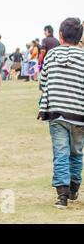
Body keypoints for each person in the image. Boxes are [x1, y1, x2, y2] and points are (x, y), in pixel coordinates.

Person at [38, 17, 84, 208]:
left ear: (61, 35)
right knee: (76, 152)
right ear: (79, 37)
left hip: (56, 113)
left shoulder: (50, 55)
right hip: (79, 115)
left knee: (61, 153)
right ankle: (74, 188)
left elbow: (43, 83)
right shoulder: (83, 57)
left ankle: (62, 196)